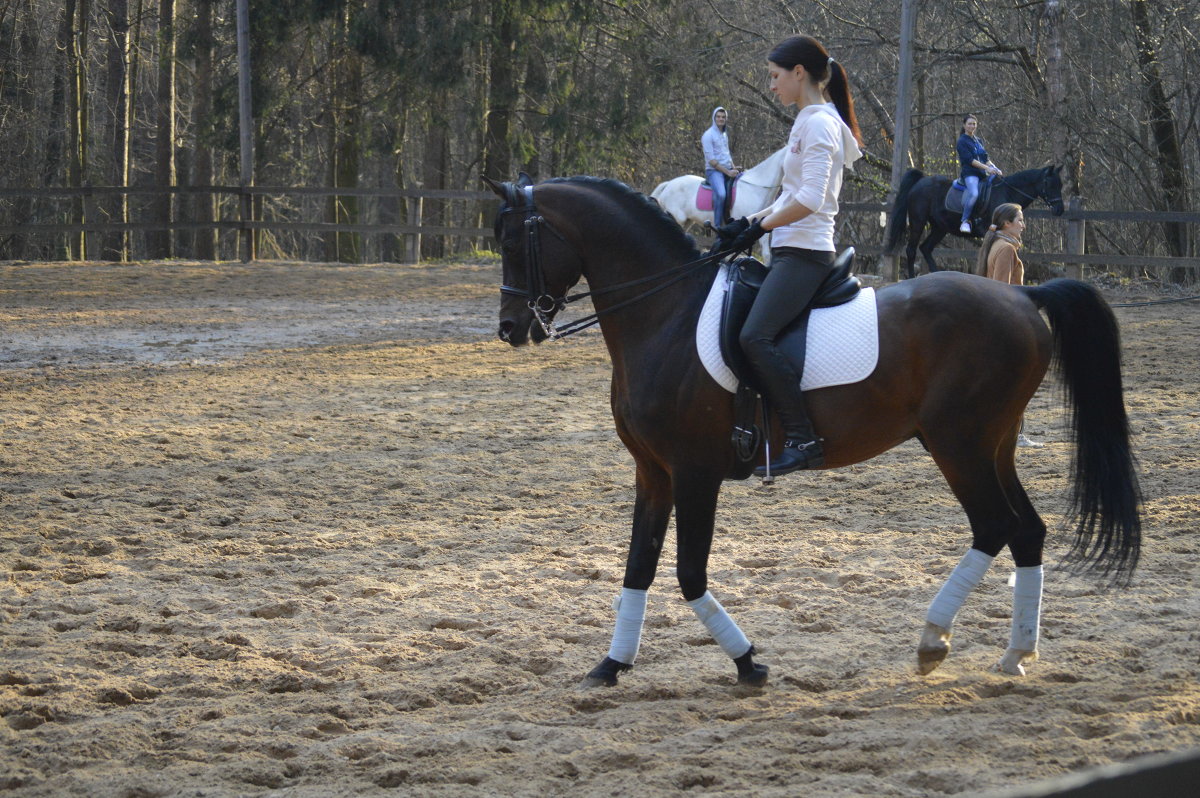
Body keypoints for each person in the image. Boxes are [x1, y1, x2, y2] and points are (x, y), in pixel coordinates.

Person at [715, 35, 863, 476]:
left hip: (806, 253)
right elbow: (789, 195)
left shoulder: (818, 124)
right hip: (789, 248)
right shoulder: (807, 120)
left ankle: (802, 438)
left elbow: (812, 200)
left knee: (754, 336)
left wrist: (760, 226)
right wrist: (747, 225)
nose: (773, 85)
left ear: (799, 73)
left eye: (776, 77)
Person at [976, 202, 1044, 448]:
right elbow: (1001, 290)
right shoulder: (1005, 249)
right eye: (1020, 220)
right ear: (1007, 224)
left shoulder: (996, 245)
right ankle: (1013, 434)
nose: (1023, 226)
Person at [956, 114, 1003, 234]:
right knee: (974, 193)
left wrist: (995, 168)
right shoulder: (961, 141)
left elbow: (985, 158)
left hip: (983, 173)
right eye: (970, 124)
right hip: (970, 174)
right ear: (964, 125)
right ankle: (965, 221)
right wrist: (987, 168)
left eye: (974, 124)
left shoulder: (978, 141)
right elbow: (970, 160)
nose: (972, 126)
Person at [701, 107, 741, 228]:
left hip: (727, 169)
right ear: (714, 118)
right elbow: (712, 161)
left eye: (723, 117)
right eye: (718, 116)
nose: (721, 119)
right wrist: (728, 172)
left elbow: (727, 154)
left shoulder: (724, 134)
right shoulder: (708, 135)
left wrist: (734, 168)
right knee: (721, 194)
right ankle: (718, 226)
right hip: (714, 171)